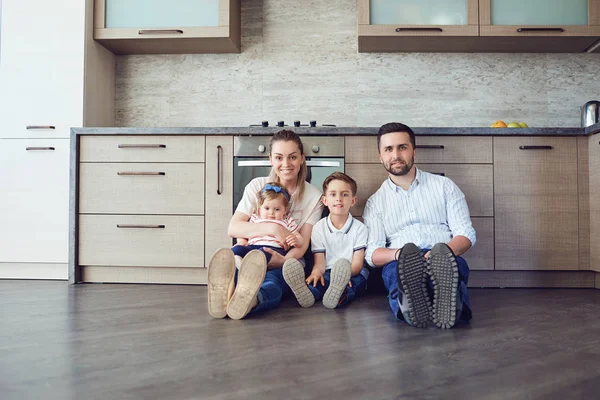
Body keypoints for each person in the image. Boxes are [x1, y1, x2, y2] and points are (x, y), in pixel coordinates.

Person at [363, 122, 476, 329]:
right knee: (397, 275)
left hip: (443, 254)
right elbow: (372, 253)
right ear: (380, 156)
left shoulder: (444, 186)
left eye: (402, 147)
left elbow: (466, 234)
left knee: (454, 269)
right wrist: (401, 255)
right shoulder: (375, 202)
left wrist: (442, 252)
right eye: (388, 149)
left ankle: (447, 300)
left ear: (414, 151)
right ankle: (412, 304)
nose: (395, 155)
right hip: (400, 259)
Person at [207, 130, 323, 320]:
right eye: (279, 157)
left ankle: (250, 301)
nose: (286, 164)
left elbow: (302, 244)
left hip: (287, 260)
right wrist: (274, 228)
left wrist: (283, 261)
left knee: (273, 282)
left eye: (292, 157)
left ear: (302, 158)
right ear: (270, 159)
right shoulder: (257, 186)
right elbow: (234, 228)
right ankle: (225, 298)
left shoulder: (314, 197)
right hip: (249, 254)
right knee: (237, 271)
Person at [282, 172, 369, 309]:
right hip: (328, 272)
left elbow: (357, 264)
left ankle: (340, 297)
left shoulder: (360, 229)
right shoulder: (318, 228)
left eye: (344, 194)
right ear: (324, 200)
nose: (338, 199)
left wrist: (345, 275)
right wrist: (316, 273)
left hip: (353, 273)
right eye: (333, 194)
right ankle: (308, 293)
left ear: (353, 200)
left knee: (353, 286)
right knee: (319, 282)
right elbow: (320, 263)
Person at [231, 182, 303, 268]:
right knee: (237, 249)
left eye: (277, 209)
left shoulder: (287, 221)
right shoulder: (256, 218)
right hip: (251, 247)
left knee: (263, 253)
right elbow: (243, 232)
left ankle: (248, 267)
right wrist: (241, 241)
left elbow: (300, 239)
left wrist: (296, 241)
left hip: (273, 250)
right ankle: (236, 265)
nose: (271, 213)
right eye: (267, 208)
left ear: (285, 210)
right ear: (260, 208)